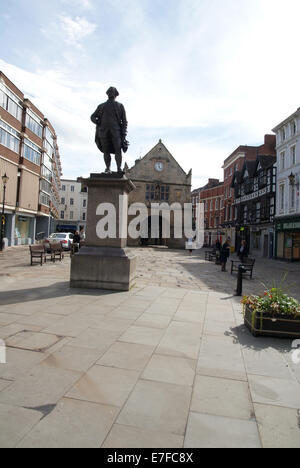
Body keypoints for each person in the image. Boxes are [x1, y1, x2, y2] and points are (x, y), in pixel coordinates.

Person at [91, 87, 129, 174]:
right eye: (110, 92)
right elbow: (92, 116)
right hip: (104, 131)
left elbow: (124, 121)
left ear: (116, 94)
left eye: (113, 92)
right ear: (107, 93)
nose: (111, 93)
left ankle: (119, 168)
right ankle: (107, 168)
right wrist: (97, 121)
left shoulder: (120, 106)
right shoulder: (101, 106)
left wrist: (123, 134)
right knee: (106, 150)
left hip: (116, 131)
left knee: (117, 150)